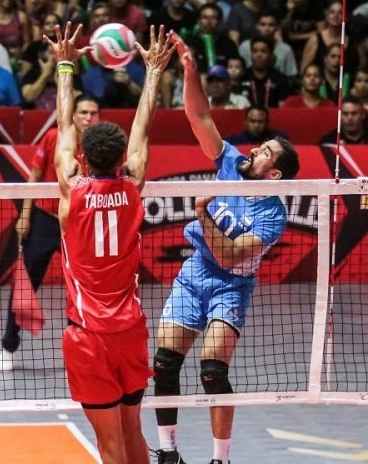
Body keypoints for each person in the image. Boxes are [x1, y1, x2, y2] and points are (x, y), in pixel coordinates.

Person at [154, 32, 300, 464]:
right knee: (164, 363)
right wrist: (190, 71)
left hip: (231, 285)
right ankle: (168, 452)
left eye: (265, 153)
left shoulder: (273, 214)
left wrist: (202, 215)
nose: (256, 150)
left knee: (213, 370)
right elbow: (200, 118)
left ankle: (220, 459)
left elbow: (232, 255)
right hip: (194, 272)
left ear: (274, 174)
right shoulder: (232, 163)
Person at [46, 22, 175, 463]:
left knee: (110, 444)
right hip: (131, 330)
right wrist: (153, 72)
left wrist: (65, 66)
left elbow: (64, 125)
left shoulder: (71, 187)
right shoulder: (133, 185)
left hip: (88, 337)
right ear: (122, 159)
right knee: (134, 432)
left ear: (82, 156)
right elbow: (143, 127)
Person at [0, 92, 100, 371]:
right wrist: (25, 216)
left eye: (93, 113)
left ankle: (78, 348)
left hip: (78, 224)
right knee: (26, 283)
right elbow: (35, 176)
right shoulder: (54, 137)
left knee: (79, 289)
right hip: (44, 220)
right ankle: (8, 344)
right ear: (73, 116)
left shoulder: (101, 142)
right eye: (84, 113)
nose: (89, 118)